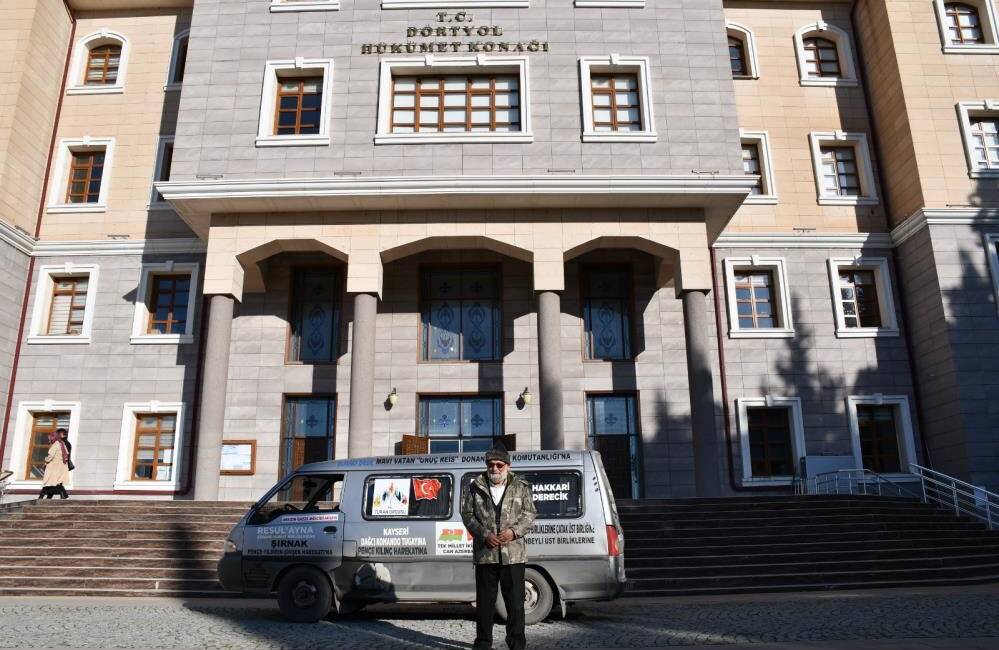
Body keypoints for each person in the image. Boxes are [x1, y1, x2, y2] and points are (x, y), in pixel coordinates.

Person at [460, 444, 537, 650]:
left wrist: (513, 532)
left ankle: (516, 644)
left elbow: (530, 514)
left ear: (508, 466)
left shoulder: (521, 486)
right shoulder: (475, 486)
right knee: (485, 604)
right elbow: (467, 514)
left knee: (515, 605)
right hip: (486, 555)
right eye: (490, 465)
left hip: (513, 556)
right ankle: (483, 643)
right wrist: (485, 535)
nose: (494, 469)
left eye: (499, 465)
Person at [39, 431, 70, 499]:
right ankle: (63, 496)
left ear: (53, 437)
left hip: (54, 466)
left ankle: (41, 498)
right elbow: (66, 454)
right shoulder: (62, 444)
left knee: (50, 482)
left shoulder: (55, 445)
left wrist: (45, 461)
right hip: (61, 466)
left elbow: (51, 456)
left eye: (49, 438)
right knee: (56, 482)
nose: (49, 440)